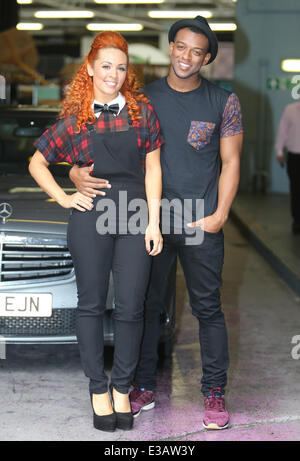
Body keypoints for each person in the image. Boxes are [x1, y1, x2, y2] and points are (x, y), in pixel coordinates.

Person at [69, 16, 243, 430]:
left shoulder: (224, 102)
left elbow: (232, 162)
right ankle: (143, 385)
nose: (187, 56)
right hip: (148, 222)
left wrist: (220, 213)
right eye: (181, 46)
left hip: (201, 221)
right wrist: (76, 173)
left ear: (206, 57)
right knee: (146, 307)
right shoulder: (140, 99)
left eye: (197, 51)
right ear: (171, 47)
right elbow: (101, 148)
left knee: (208, 309)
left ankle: (215, 393)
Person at [28, 31, 163, 432]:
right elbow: (37, 163)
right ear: (90, 68)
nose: (113, 74)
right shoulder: (76, 119)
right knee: (89, 305)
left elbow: (153, 168)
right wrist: (65, 197)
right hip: (91, 219)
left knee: (131, 307)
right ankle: (97, 389)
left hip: (136, 214)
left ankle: (122, 386)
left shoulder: (142, 113)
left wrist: (154, 221)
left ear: (127, 73)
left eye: (121, 67)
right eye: (105, 66)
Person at [276, 100, 300, 234]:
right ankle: (297, 220)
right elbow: (282, 130)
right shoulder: (290, 109)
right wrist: (279, 151)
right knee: (296, 188)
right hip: (295, 156)